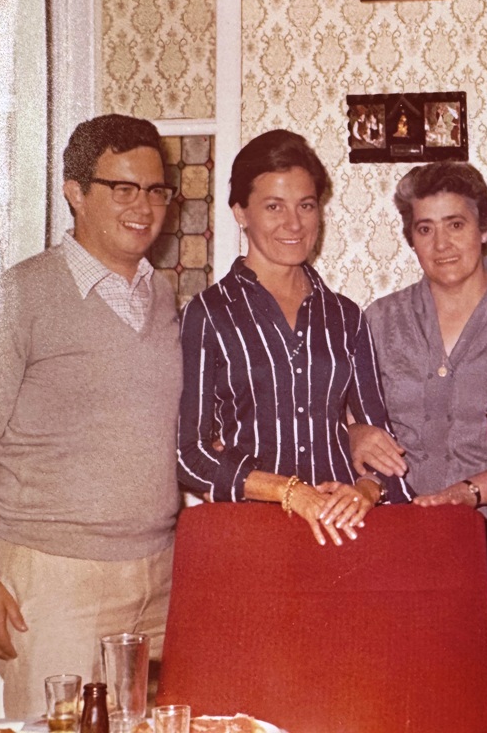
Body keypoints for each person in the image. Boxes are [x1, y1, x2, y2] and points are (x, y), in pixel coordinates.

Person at [0, 114, 182, 716]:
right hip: (55, 579)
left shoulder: (162, 294)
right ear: (75, 192)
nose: (143, 207)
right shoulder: (15, 296)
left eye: (155, 190)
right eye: (123, 188)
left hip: (160, 576)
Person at [176, 129, 412, 547]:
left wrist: (366, 490)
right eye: (274, 206)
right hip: (252, 536)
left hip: (341, 530)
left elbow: (381, 444)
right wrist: (290, 493)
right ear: (240, 212)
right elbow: (190, 456)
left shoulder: (345, 316)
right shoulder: (208, 313)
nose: (294, 223)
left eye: (306, 205)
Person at [359, 162, 487, 716]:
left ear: (485, 228)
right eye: (425, 228)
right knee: (411, 696)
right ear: (411, 239)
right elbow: (339, 411)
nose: (441, 243)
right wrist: (355, 432)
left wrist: (470, 493)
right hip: (403, 532)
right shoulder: (379, 320)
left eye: (456, 224)